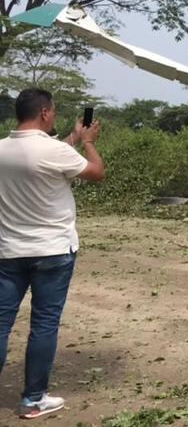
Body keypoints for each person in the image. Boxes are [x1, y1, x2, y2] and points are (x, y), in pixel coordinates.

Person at [0, 89, 105, 419]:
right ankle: (32, 400)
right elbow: (95, 173)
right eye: (53, 112)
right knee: (44, 324)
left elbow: (49, 158)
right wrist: (88, 141)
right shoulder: (52, 151)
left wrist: (73, 135)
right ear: (44, 113)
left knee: (1, 322)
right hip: (52, 252)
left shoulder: (2, 149)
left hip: (8, 250)